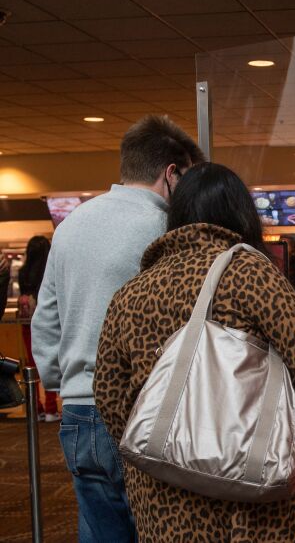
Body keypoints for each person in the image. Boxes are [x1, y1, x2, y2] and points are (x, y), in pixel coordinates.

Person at [94, 163, 295, 542]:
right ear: (241, 215)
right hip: (256, 482)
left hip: (164, 493)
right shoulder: (254, 275)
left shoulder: (132, 292)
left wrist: (159, 446)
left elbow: (107, 390)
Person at [31, 114, 204, 542]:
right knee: (162, 530)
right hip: (141, 410)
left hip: (77, 414)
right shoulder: (165, 229)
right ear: (171, 173)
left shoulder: (69, 226)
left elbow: (45, 321)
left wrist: (65, 381)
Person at [17, 235, 59, 421]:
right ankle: (51, 408)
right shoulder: (48, 271)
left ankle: (36, 408)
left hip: (27, 323)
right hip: (48, 321)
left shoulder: (23, 272)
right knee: (49, 360)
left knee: (31, 363)